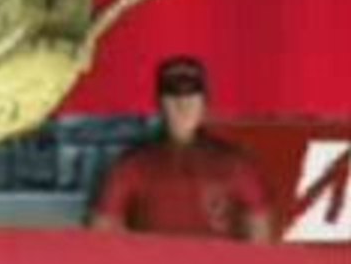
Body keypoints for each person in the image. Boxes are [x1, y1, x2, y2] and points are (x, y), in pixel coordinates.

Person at [92, 56, 273, 243]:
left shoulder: (235, 164)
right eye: (173, 97)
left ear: (205, 102)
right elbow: (101, 233)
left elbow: (261, 233)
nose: (183, 106)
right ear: (160, 102)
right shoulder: (133, 166)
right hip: (152, 260)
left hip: (216, 261)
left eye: (191, 97)